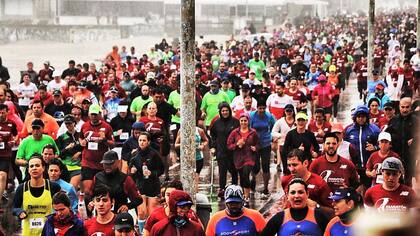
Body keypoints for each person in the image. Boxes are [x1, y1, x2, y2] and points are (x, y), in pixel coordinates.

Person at [261, 178, 330, 235]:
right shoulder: (279, 218)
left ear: (307, 194)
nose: (296, 196)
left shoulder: (319, 216)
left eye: (300, 192)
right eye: (293, 192)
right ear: (287, 196)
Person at [13, 156, 61, 236]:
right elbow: (14, 208)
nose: (34, 168)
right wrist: (19, 212)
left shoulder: (53, 187)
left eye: (37, 165)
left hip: (48, 232)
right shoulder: (22, 188)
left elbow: (63, 206)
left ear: (43, 168)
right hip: (28, 232)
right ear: (28, 170)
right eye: (31, 166)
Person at [129, 132, 164, 234]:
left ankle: (151, 232)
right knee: (141, 212)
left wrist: (152, 173)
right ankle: (141, 232)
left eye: (144, 140)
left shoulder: (154, 154)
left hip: (153, 185)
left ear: (148, 142)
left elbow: (161, 170)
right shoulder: (135, 154)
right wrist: (132, 170)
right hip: (140, 185)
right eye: (140, 140)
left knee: (151, 213)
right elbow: (130, 168)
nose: (142, 142)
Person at [79, 103, 114, 195]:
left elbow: (113, 145)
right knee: (87, 190)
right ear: (89, 114)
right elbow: (80, 138)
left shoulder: (107, 127)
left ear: (100, 114)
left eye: (95, 114)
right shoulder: (84, 126)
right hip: (87, 163)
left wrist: (104, 140)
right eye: (92, 114)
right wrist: (82, 142)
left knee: (101, 190)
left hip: (101, 163)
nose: (93, 116)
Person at [344, 105, 380, 189]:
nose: (361, 119)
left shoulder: (374, 130)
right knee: (354, 190)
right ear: (355, 117)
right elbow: (344, 146)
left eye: (363, 116)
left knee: (369, 189)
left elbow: (382, 145)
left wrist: (375, 147)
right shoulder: (349, 130)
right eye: (359, 116)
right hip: (355, 167)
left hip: (369, 167)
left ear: (367, 117)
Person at [227, 113, 259, 206]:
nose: (243, 122)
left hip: (249, 158)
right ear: (239, 122)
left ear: (248, 121)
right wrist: (237, 144)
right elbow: (229, 145)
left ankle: (246, 197)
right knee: (242, 177)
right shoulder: (234, 132)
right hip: (238, 158)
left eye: (245, 120)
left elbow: (258, 144)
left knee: (246, 173)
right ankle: (243, 195)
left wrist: (255, 148)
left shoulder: (253, 132)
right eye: (242, 121)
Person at [209, 102, 239, 198]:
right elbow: (213, 135)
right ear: (220, 112)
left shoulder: (235, 122)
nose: (225, 112)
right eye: (223, 111)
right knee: (222, 171)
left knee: (233, 170)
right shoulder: (217, 122)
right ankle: (222, 189)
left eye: (226, 110)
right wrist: (213, 146)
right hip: (221, 150)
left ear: (229, 111)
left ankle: (234, 188)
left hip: (233, 151)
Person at [386, 97, 417, 185]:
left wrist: (416, 139)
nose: (405, 110)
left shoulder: (416, 120)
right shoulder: (394, 120)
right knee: (395, 181)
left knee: (408, 182)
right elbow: (387, 136)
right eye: (402, 107)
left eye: (407, 107)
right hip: (396, 156)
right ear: (399, 107)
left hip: (410, 157)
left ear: (411, 107)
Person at [249, 101, 275, 195]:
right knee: (255, 166)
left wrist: (269, 136)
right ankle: (253, 178)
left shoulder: (269, 116)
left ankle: (265, 187)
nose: (262, 110)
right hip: (255, 143)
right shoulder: (252, 116)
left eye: (264, 108)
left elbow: (273, 126)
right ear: (257, 108)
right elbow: (248, 128)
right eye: (260, 108)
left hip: (266, 143)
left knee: (265, 166)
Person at [55, 114, 82, 188]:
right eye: (66, 123)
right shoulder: (61, 137)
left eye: (70, 123)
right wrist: (66, 149)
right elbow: (58, 154)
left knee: (72, 187)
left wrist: (79, 153)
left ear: (74, 123)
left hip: (78, 166)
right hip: (65, 166)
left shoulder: (80, 135)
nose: (68, 125)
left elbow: (86, 149)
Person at [0, 103, 17, 205]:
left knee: (2, 176)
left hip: (5, 154)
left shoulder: (11, 124)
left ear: (7, 112)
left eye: (3, 112)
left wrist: (14, 141)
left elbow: (16, 135)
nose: (1, 114)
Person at [272, 103, 296, 173]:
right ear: (284, 112)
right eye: (287, 111)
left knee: (294, 166)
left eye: (290, 111)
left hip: (294, 146)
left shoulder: (297, 121)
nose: (288, 113)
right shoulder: (280, 121)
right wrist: (280, 135)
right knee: (286, 167)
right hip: (283, 145)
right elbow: (273, 132)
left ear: (293, 111)